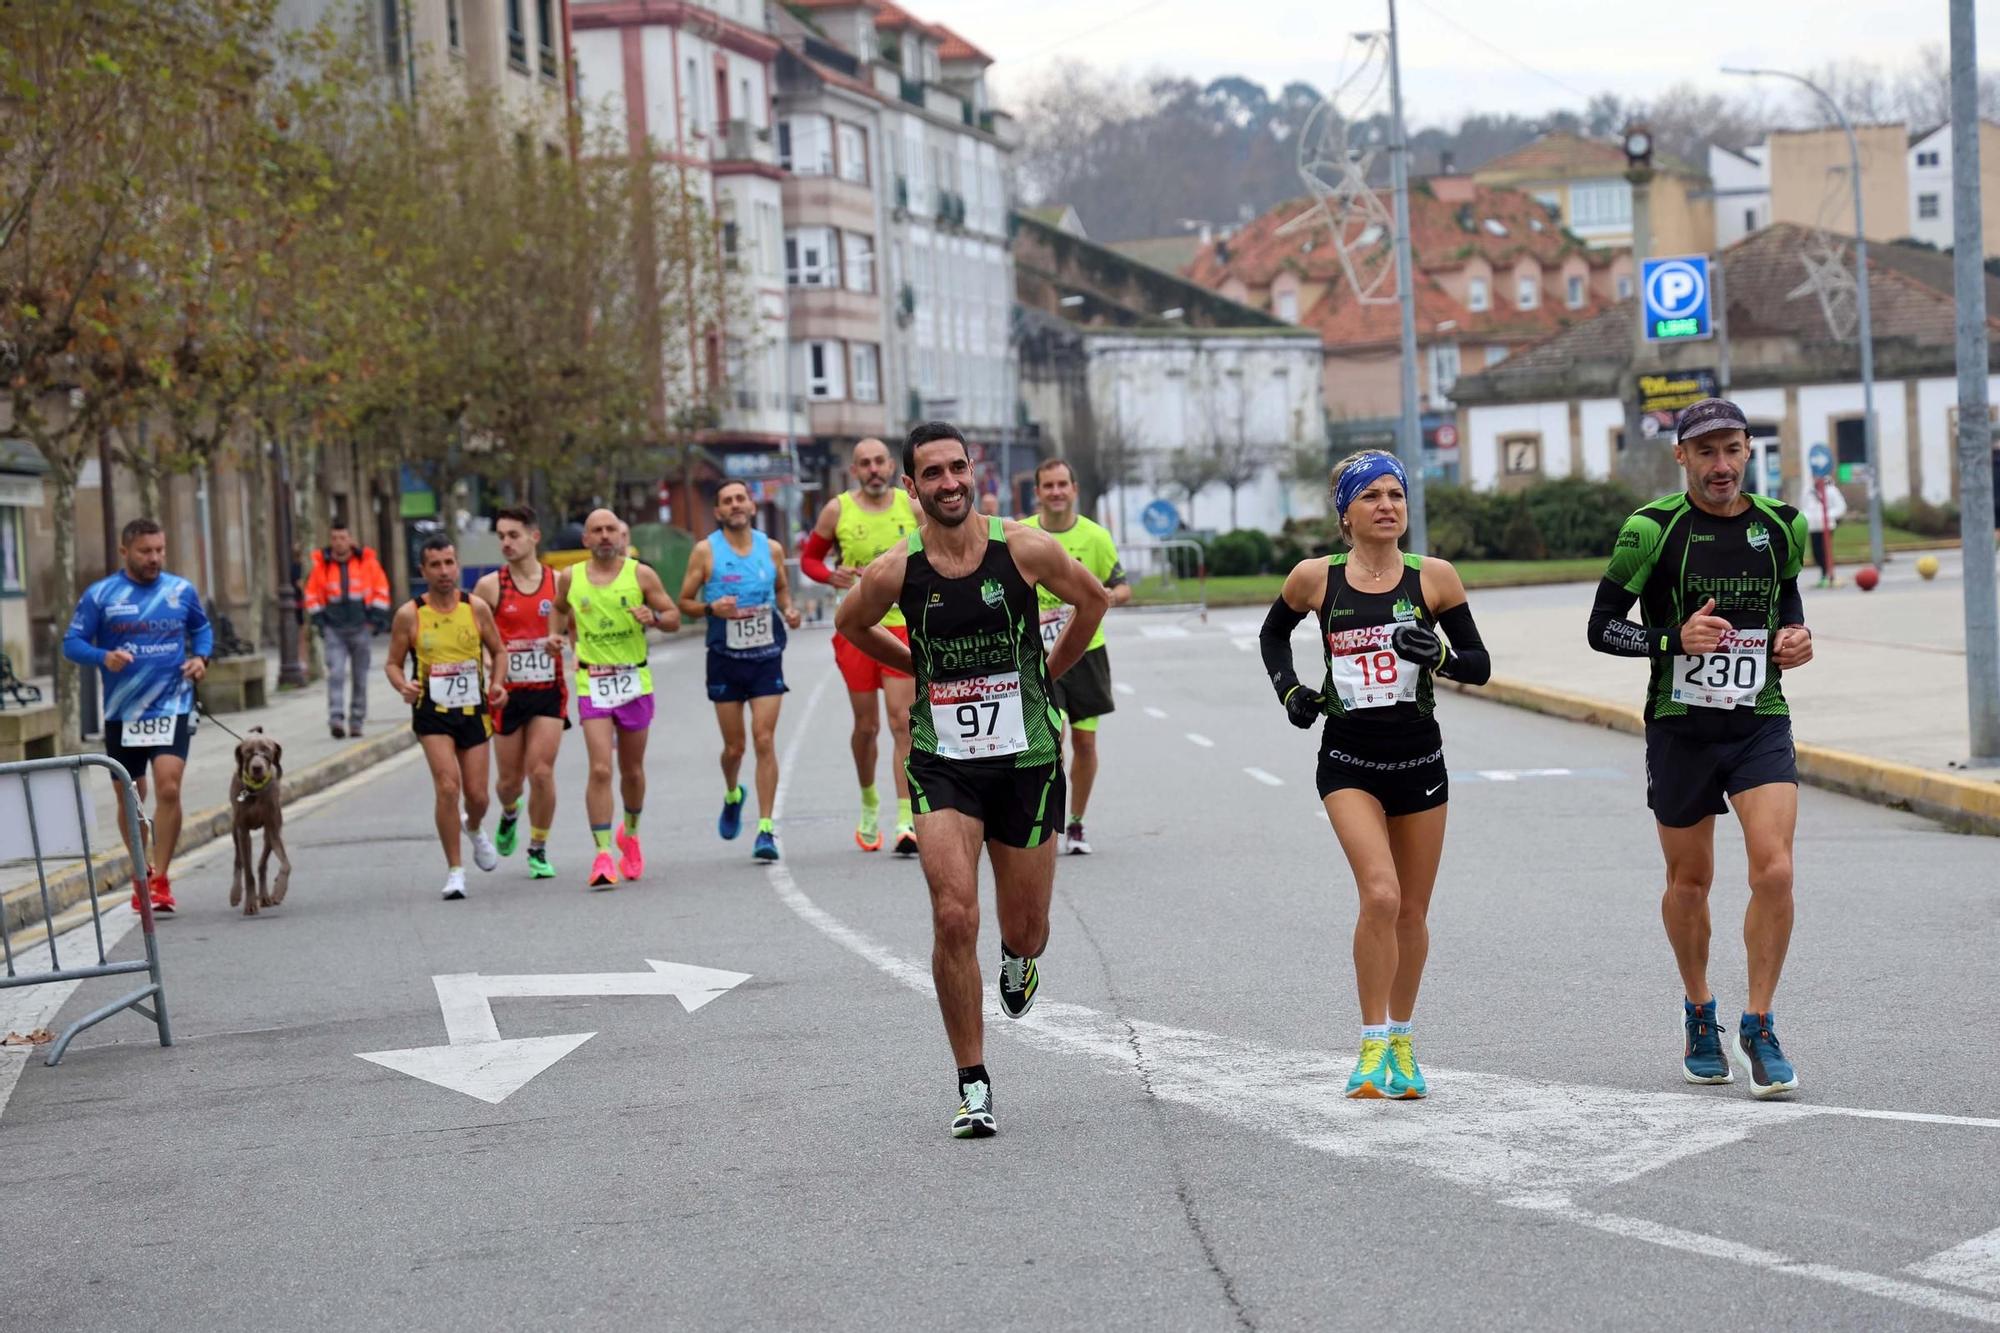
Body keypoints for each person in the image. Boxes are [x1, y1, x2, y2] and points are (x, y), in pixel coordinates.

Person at [836, 422, 1110, 1140]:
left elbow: (1093, 601)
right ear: (911, 486)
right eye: (933, 473)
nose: (950, 483)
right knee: (954, 913)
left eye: (959, 468)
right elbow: (851, 622)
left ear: (974, 471)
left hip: (1024, 760)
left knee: (1027, 928)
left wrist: (1047, 675)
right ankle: (973, 1080)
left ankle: (1019, 961)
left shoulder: (1021, 547)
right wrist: (912, 666)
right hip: (941, 761)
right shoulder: (897, 570)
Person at [1588, 397, 1814, 1099]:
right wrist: (1669, 639)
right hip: (1680, 725)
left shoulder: (1783, 526)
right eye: (1707, 452)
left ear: (1750, 451)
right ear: (1681, 456)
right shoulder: (1651, 531)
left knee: (1774, 870)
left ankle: (1760, 1022)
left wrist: (1796, 641)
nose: (1723, 466)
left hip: (1759, 719)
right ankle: (1698, 1010)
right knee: (1691, 883)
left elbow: (1789, 604)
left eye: (1734, 449)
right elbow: (1600, 626)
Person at [1258, 450, 1490, 1101]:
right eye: (1371, 496)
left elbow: (1480, 664)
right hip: (1348, 762)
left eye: (1395, 493)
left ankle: (1404, 1042)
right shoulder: (1315, 579)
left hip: (1419, 761)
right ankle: (1369, 1045)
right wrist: (1290, 692)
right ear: (1346, 514)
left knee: (1412, 910)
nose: (1386, 505)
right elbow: (1272, 637)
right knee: (1381, 895)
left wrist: (1440, 653)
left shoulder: (1434, 578)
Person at [63, 518, 213, 915]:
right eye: (146, 551)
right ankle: (140, 868)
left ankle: (159, 879)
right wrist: (103, 657)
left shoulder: (180, 591)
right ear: (125, 552)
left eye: (160, 550)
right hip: (123, 711)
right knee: (132, 796)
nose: (155, 558)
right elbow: (72, 643)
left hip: (172, 703)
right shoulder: (101, 595)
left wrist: (201, 658)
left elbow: (202, 629)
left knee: (168, 788)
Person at [799, 437, 921, 855]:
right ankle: (869, 800)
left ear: (890, 466)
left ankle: (906, 817)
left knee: (902, 721)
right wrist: (828, 575)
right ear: (854, 471)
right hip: (857, 627)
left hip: (903, 625)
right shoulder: (838, 509)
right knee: (866, 727)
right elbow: (810, 560)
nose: (873, 469)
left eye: (879, 462)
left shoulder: (912, 505)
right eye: (864, 463)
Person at [551, 508, 680, 889]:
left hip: (633, 682)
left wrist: (653, 618)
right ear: (586, 539)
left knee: (632, 771)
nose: (605, 535)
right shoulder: (570, 578)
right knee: (600, 769)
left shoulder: (640, 574)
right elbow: (558, 611)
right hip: (593, 683)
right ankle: (603, 854)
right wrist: (556, 637)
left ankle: (632, 835)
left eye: (611, 529)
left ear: (621, 536)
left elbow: (674, 616)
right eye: (597, 530)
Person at [677, 480, 802, 862]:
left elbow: (781, 589)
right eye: (727, 500)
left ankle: (765, 830)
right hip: (725, 657)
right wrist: (713, 609)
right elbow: (684, 602)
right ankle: (733, 793)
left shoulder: (773, 549)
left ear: (751, 505)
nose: (735, 505)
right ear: (718, 511)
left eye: (740, 499)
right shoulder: (705, 551)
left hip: (766, 654)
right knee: (735, 748)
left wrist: (789, 609)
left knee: (764, 739)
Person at [384, 533, 510, 901]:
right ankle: (455, 870)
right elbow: (392, 663)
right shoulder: (410, 614)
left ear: (457, 565)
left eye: (449, 563)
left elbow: (499, 652)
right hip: (432, 713)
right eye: (435, 565)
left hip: (473, 711)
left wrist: (499, 684)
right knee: (447, 787)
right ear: (423, 570)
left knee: (478, 796)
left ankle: (474, 827)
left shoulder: (475, 609)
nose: (444, 571)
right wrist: (402, 685)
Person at [1020, 458, 1130, 854]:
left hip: (1086, 652)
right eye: (1047, 485)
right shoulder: (1021, 534)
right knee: (1051, 740)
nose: (1055, 492)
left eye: (1062, 484)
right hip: (1038, 655)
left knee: (1084, 743)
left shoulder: (1095, 537)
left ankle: (1077, 822)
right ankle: (1045, 823)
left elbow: (1121, 587)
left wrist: (1102, 599)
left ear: (1073, 488)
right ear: (1038, 492)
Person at [472, 505, 567, 881]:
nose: (506, 543)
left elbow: (572, 630)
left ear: (534, 537)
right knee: (509, 782)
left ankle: (539, 847)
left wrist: (560, 642)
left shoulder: (559, 583)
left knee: (541, 770)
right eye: (501, 537)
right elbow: (477, 639)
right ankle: (510, 812)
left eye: (513, 535)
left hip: (548, 689)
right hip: (507, 694)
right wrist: (490, 676)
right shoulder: (490, 587)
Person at [302, 520, 392, 739]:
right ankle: (336, 719)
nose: (338, 542)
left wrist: (379, 618)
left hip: (360, 627)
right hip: (334, 628)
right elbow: (311, 594)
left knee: (360, 677)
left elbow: (381, 588)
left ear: (350, 539)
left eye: (343, 537)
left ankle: (357, 721)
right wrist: (319, 621)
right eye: (334, 538)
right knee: (336, 674)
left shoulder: (366, 563)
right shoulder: (321, 565)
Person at [1795, 473, 1847, 589]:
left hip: (1826, 526)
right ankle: (1824, 574)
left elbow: (1840, 507)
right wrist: (1807, 517)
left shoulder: (1831, 490)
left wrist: (1827, 515)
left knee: (1825, 551)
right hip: (1813, 526)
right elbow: (1804, 506)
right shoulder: (1808, 491)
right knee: (1816, 552)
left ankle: (1827, 575)